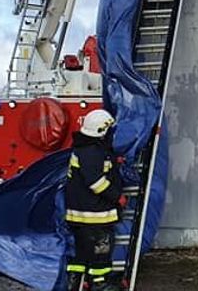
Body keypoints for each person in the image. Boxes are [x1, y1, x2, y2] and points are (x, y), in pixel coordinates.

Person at [64, 109, 124, 291]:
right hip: (95, 215)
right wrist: (117, 197)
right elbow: (95, 182)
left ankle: (75, 283)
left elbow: (97, 165)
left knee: (81, 252)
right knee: (101, 250)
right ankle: (100, 284)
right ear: (101, 131)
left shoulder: (86, 148)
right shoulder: (91, 151)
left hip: (81, 214)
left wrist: (114, 161)